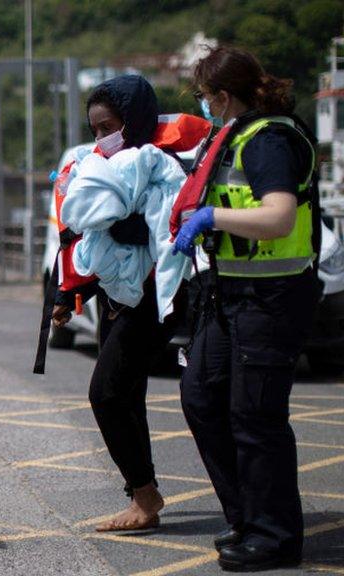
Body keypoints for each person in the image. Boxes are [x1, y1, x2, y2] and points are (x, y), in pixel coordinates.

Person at [173, 46, 321, 572]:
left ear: (224, 95)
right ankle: (247, 513)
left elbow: (278, 217)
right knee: (202, 395)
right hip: (230, 291)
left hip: (271, 296)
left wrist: (211, 215)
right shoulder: (235, 134)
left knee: (255, 417)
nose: (204, 105)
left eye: (205, 97)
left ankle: (274, 536)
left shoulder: (270, 140)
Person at [52, 75, 198, 532]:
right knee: (128, 395)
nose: (101, 137)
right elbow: (94, 238)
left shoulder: (163, 165)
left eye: (108, 126)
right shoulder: (104, 167)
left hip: (154, 299)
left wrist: (128, 228)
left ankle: (144, 494)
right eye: (94, 129)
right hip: (116, 298)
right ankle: (143, 493)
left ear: (133, 120)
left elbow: (166, 230)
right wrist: (70, 292)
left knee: (106, 393)